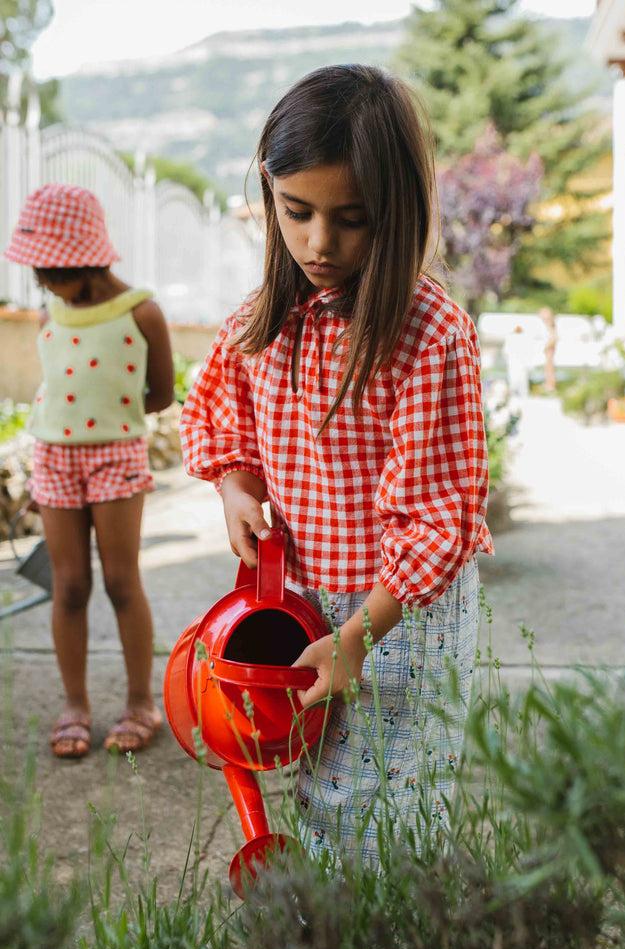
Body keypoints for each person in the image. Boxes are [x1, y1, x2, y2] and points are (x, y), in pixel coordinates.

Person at [180, 65, 492, 862]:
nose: (321, 243)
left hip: (401, 615)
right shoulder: (264, 322)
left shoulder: (425, 335)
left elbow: (437, 515)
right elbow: (224, 414)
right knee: (320, 783)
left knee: (391, 795)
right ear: (268, 191)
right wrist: (236, 487)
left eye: (352, 219)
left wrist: (360, 635)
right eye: (298, 211)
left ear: (398, 211)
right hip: (311, 601)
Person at [4, 184, 174, 758]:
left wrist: (108, 417)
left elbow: (159, 394)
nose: (44, 285)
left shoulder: (143, 312)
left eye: (51, 271)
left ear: (84, 258)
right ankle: (75, 704)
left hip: (115, 456)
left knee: (123, 582)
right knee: (69, 585)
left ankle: (139, 702)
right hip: (53, 457)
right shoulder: (54, 309)